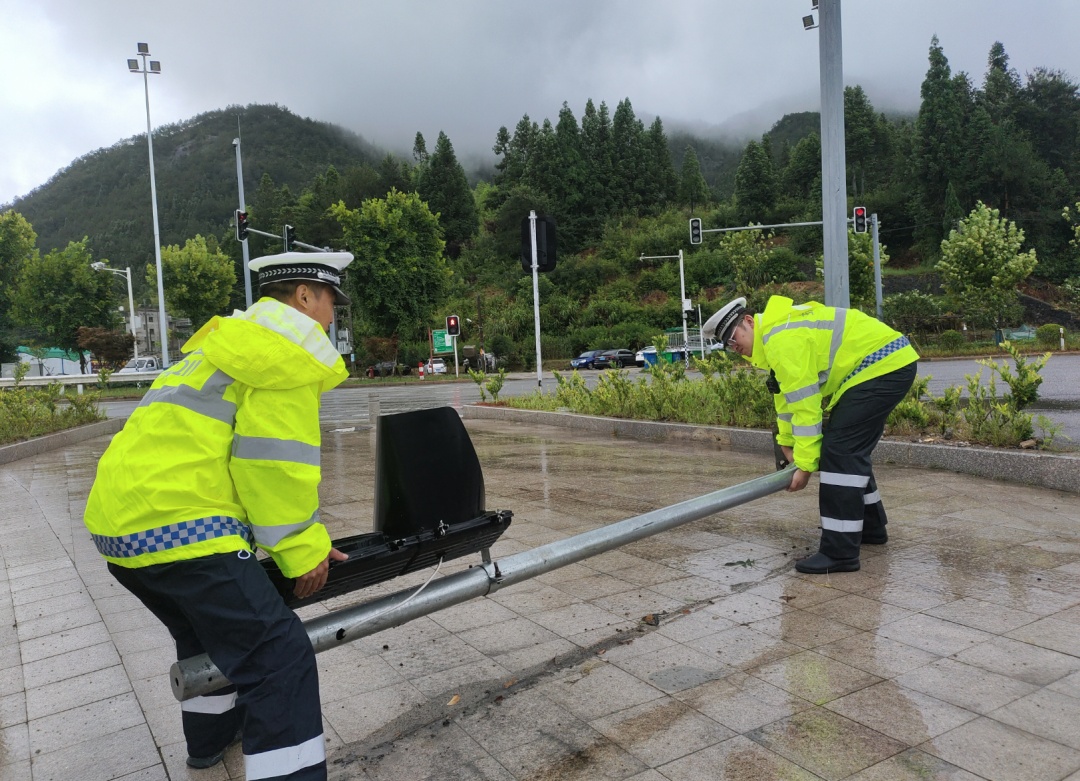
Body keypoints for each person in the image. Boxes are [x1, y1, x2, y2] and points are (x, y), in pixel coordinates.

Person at [84, 252, 356, 778]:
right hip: (183, 530)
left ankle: (208, 745)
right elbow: (273, 465)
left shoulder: (224, 346)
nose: (330, 318)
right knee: (278, 658)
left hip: (121, 527)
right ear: (304, 296)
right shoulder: (285, 354)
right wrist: (302, 549)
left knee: (206, 636)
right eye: (328, 304)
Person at [703, 294, 919, 574]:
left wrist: (804, 466)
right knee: (845, 449)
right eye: (728, 346)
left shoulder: (782, 340)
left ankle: (840, 553)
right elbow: (786, 399)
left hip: (882, 365)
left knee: (841, 451)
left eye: (734, 338)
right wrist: (786, 442)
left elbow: (806, 408)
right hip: (883, 365)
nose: (735, 348)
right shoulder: (775, 337)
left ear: (748, 321)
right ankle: (870, 528)